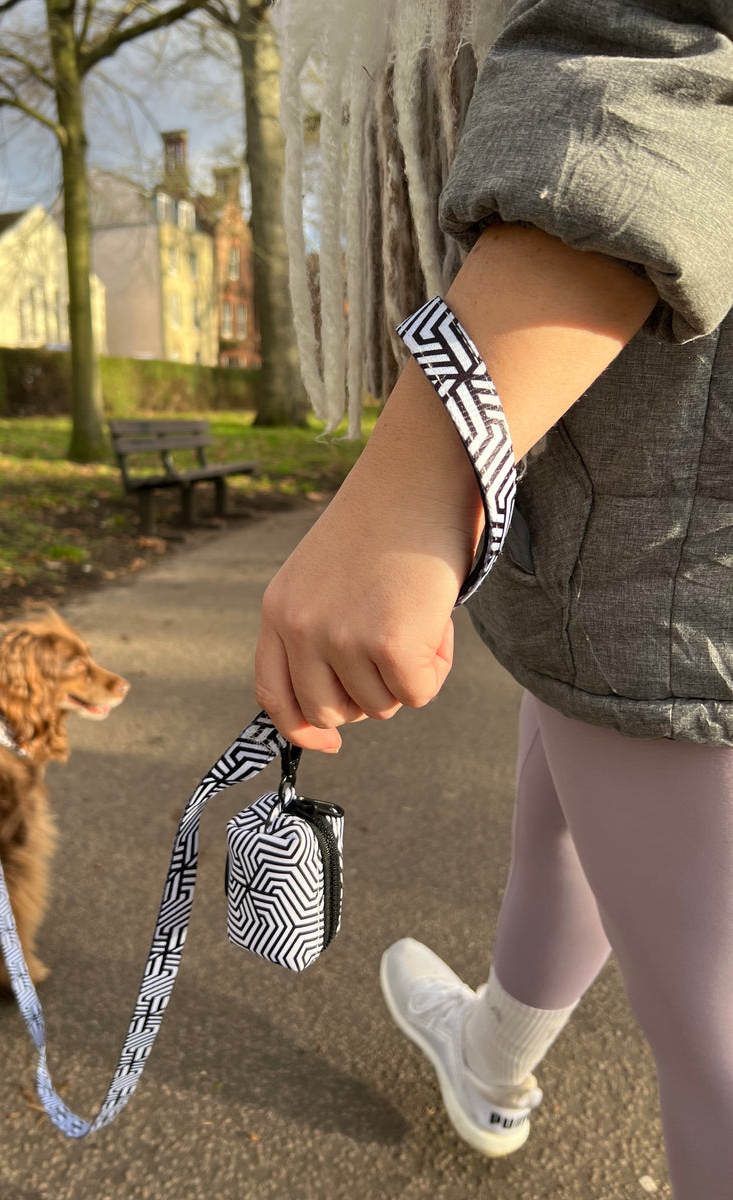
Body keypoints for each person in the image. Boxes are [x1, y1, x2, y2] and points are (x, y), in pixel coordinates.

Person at [258, 1, 733, 1196]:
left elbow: (651, 56)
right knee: (559, 813)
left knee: (719, 1057)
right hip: (618, 538)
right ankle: (489, 1060)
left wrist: (421, 476)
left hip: (675, 550)